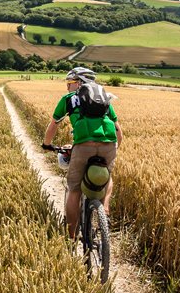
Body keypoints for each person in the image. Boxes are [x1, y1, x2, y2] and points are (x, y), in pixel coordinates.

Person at [42, 67, 122, 238]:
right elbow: (118, 131)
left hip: (83, 144)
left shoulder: (69, 99)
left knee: (75, 189)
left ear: (78, 83)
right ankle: (104, 209)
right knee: (107, 175)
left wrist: (46, 144)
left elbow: (54, 124)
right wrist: (114, 148)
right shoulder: (104, 99)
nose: (67, 87)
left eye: (69, 83)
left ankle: (71, 236)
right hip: (109, 143)